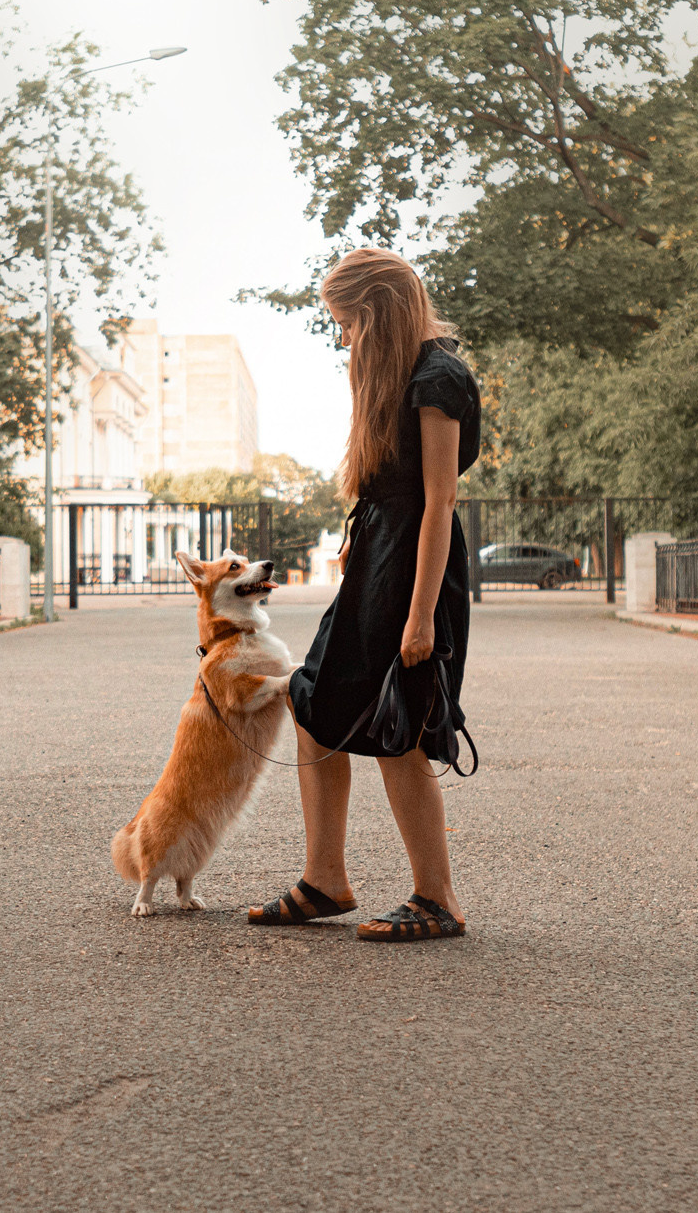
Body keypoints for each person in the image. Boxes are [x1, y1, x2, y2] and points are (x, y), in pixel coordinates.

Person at [249, 247, 480, 942]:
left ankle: (437, 899)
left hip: (416, 570)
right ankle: (326, 879)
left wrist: (418, 616)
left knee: (398, 721)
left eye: (347, 322)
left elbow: (438, 503)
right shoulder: (397, 370)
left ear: (377, 313)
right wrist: (363, 534)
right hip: (381, 555)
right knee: (315, 702)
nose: (343, 337)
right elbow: (395, 488)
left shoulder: (439, 377)